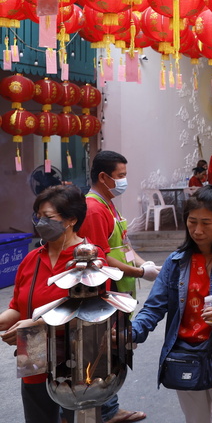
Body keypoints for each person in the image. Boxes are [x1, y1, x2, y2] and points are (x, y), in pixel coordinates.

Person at [130, 186, 212, 423]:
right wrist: (131, 333)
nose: (197, 230)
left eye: (206, 223)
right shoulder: (176, 262)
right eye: (192, 222)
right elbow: (154, 307)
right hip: (186, 355)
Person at [0, 185, 103, 423]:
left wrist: (34, 327)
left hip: (77, 366)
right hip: (34, 362)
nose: (40, 222)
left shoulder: (90, 259)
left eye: (48, 217)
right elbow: (18, 307)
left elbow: (95, 317)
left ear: (71, 220)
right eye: (37, 216)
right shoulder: (32, 259)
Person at [79, 150, 154, 423]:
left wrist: (146, 265)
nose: (124, 181)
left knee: (113, 351)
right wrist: (139, 272)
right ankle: (106, 410)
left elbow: (122, 245)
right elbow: (101, 256)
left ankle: (110, 407)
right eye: (120, 176)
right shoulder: (94, 208)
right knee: (103, 350)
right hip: (105, 292)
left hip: (120, 290)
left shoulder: (108, 203)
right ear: (103, 176)